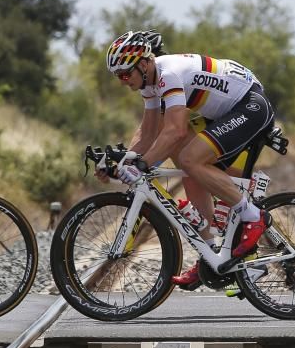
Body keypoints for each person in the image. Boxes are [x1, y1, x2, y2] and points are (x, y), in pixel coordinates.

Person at [103, 30, 276, 288]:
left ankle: (253, 216)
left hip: (250, 105)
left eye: (125, 74)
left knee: (190, 158)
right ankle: (211, 253)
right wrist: (121, 163)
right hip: (228, 112)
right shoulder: (149, 84)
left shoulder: (168, 74)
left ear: (143, 63)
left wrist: (142, 165)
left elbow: (175, 129)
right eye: (118, 76)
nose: (122, 81)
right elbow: (150, 133)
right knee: (183, 159)